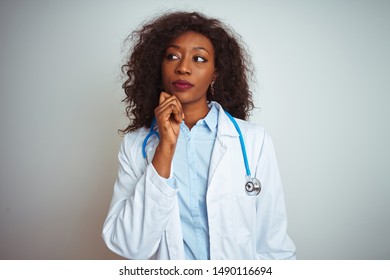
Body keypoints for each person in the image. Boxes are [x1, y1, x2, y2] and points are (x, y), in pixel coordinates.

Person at [102, 11, 296, 260]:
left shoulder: (253, 141)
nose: (183, 68)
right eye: (172, 56)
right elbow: (129, 246)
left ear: (216, 73)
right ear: (158, 67)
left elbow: (274, 247)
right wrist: (165, 148)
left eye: (199, 59)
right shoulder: (136, 146)